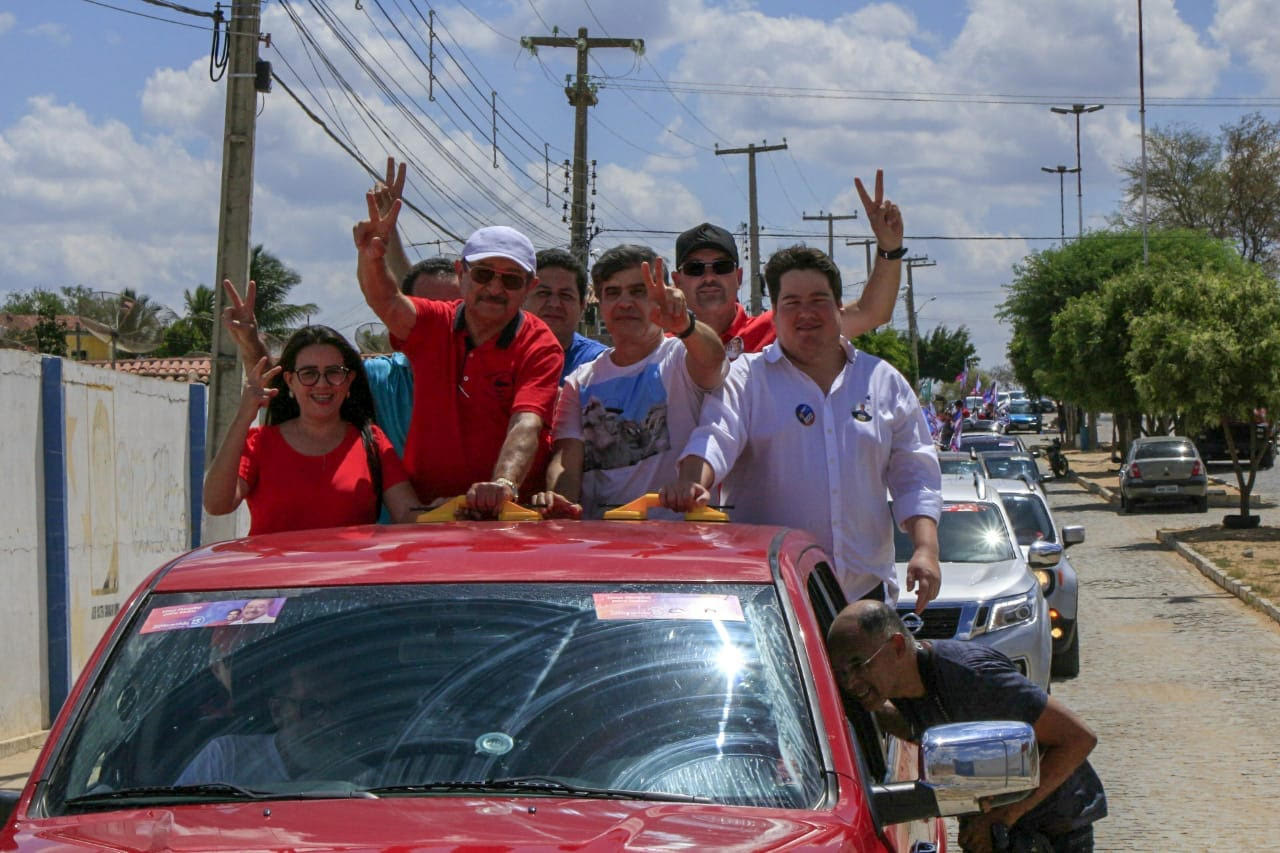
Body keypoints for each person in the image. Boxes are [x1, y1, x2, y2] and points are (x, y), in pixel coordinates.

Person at [661, 244, 941, 608]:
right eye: (791, 302)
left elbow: (915, 475)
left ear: (839, 307)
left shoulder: (882, 381)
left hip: (865, 599)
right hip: (775, 603)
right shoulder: (746, 379)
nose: (806, 313)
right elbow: (715, 435)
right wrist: (692, 482)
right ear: (775, 313)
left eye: (818, 300)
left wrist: (925, 549)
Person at [827, 601, 1106, 852]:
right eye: (841, 673)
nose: (850, 682)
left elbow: (1078, 739)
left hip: (1055, 829)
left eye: (859, 665)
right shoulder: (899, 689)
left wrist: (1001, 818)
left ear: (897, 646)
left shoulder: (974, 677)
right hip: (996, 829)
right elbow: (925, 733)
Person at [355, 187, 563, 514]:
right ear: (460, 273)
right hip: (429, 511)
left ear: (529, 287)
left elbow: (527, 423)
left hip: (507, 514)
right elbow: (387, 302)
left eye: (511, 280)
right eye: (483, 274)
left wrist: (503, 485)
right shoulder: (434, 321)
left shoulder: (540, 343)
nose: (494, 288)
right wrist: (371, 257)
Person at [539, 244, 727, 518]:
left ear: (662, 297)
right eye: (613, 293)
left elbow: (714, 359)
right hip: (602, 537)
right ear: (599, 303)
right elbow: (566, 458)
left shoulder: (681, 357)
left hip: (678, 536)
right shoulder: (580, 380)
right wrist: (561, 503)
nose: (625, 303)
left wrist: (685, 325)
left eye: (639, 292)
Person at [203, 325, 420, 534]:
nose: (322, 384)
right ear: (290, 381)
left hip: (347, 562)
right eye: (308, 373)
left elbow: (407, 513)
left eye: (334, 372)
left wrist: (438, 511)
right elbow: (216, 504)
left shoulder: (372, 442)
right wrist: (243, 416)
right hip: (274, 562)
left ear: (349, 380)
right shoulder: (259, 443)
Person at [671, 170, 906, 359]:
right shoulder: (663, 347)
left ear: (739, 277)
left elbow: (870, 312)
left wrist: (889, 248)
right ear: (677, 281)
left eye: (721, 267)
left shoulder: (779, 327)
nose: (709, 277)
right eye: (695, 269)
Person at [176, 661, 350, 787]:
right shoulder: (226, 759)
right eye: (312, 708)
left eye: (338, 707)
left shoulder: (357, 782)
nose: (330, 723)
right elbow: (174, 818)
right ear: (278, 711)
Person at [526, 247, 607, 383]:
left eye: (565, 295)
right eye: (543, 293)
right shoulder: (498, 356)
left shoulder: (600, 364)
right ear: (522, 299)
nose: (554, 304)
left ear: (582, 306)